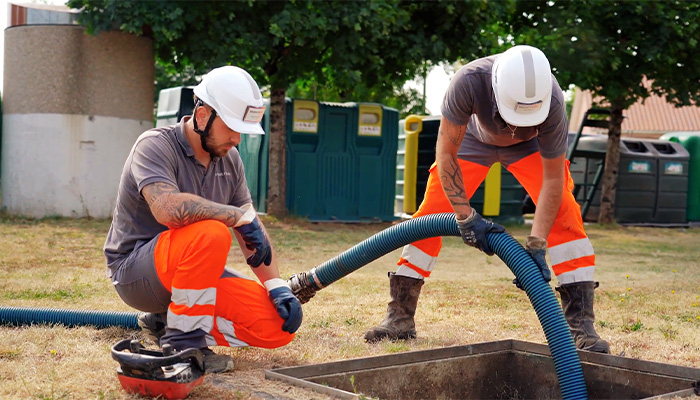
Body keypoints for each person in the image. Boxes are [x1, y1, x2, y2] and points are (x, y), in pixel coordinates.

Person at [365, 45, 610, 353]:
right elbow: (446, 153)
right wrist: (465, 216)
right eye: (511, 120)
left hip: (531, 149)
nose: (514, 129)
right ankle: (399, 318)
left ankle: (580, 327)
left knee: (565, 213)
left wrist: (536, 244)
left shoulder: (554, 102)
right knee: (430, 214)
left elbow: (552, 179)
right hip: (471, 141)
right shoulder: (467, 81)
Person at [104, 66, 303, 373]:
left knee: (277, 327)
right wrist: (234, 217)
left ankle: (167, 321)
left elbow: (251, 229)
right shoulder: (154, 145)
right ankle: (185, 344)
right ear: (202, 116)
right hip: (136, 273)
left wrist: (276, 285)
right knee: (212, 232)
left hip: (191, 274)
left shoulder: (229, 159)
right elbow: (167, 208)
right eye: (231, 128)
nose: (237, 139)